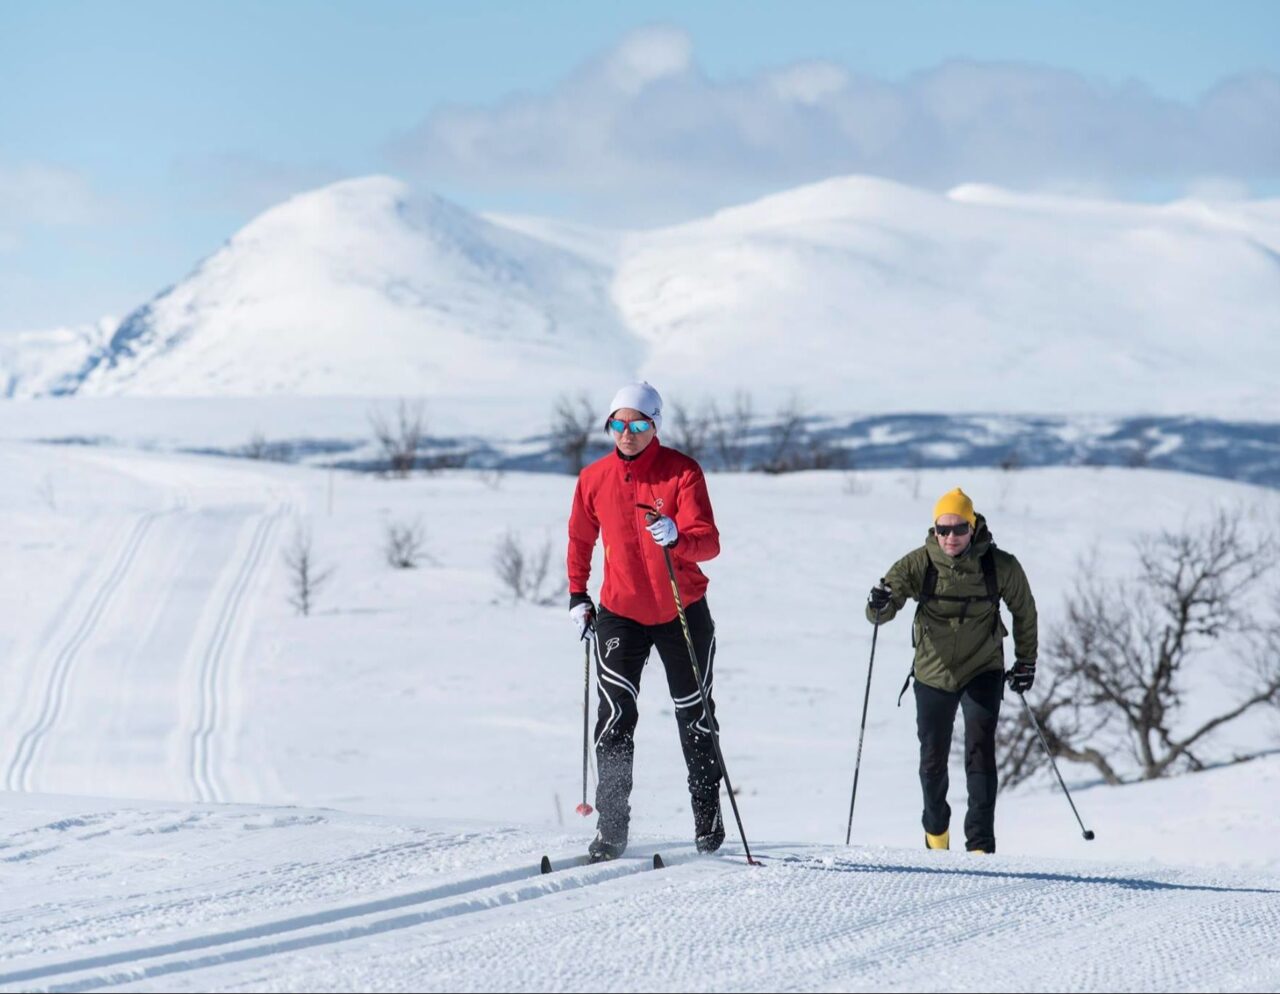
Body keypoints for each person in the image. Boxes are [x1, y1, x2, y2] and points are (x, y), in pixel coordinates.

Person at [566, 381, 725, 861]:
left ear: (655, 426)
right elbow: (580, 539)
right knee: (615, 717)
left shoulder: (682, 472)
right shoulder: (593, 478)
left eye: (638, 425)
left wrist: (678, 537)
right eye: (618, 424)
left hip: (681, 608)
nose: (627, 434)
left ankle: (708, 820)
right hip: (621, 612)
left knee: (695, 715)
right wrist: (578, 595)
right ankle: (611, 829)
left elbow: (709, 542)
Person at [867, 487, 1038, 854]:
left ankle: (980, 846)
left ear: (973, 527)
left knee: (980, 750)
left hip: (983, 667)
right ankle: (936, 834)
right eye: (942, 530)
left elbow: (1024, 610)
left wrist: (1026, 661)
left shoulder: (1000, 565)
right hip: (933, 672)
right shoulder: (919, 563)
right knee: (932, 758)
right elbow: (883, 607)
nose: (950, 537)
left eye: (959, 528)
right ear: (934, 530)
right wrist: (879, 604)